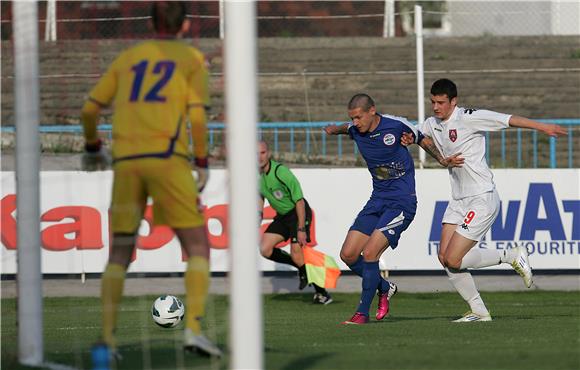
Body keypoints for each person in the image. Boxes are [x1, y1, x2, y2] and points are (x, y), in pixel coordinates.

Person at [80, 1, 221, 358]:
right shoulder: (192, 60)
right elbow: (198, 119)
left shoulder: (128, 58)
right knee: (197, 247)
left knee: (121, 251)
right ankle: (193, 330)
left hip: (126, 163)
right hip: (168, 160)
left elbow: (89, 109)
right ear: (186, 26)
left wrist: (94, 146)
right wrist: (202, 161)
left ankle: (108, 340)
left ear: (149, 23)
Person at [402, 78, 568, 322]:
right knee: (444, 258)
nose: (436, 107)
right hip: (458, 200)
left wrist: (542, 127)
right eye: (433, 102)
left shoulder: (468, 117)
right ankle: (479, 311)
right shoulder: (432, 123)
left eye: (441, 102)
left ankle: (510, 256)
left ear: (453, 101)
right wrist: (408, 138)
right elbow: (416, 134)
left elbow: (507, 119)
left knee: (454, 259)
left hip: (481, 197)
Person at [324, 93, 462, 324]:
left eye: (358, 117)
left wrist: (442, 159)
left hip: (401, 203)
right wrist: (332, 129)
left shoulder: (396, 126)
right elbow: (344, 128)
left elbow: (423, 139)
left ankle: (361, 313)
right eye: (352, 118)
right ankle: (384, 287)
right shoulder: (355, 129)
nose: (355, 123)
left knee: (369, 253)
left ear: (372, 111)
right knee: (347, 254)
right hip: (377, 200)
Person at [258, 140, 333, 304]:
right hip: (283, 216)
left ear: (268, 153)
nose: (259, 157)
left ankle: (323, 293)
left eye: (262, 152)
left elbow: (299, 201)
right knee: (264, 249)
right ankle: (303, 270)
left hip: (298, 213)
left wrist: (301, 228)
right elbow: (260, 196)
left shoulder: (280, 172)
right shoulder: (256, 176)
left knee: (297, 254)